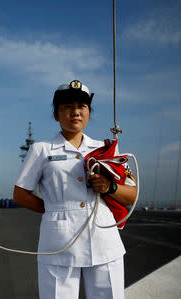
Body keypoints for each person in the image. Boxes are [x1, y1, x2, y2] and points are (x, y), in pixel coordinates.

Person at [13, 80, 136, 299]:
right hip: (59, 245)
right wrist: (54, 211)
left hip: (104, 240)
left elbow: (131, 195)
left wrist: (110, 187)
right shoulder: (41, 150)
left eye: (82, 107)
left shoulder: (106, 149)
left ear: (89, 113)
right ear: (56, 114)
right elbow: (20, 194)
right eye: (67, 107)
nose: (75, 112)